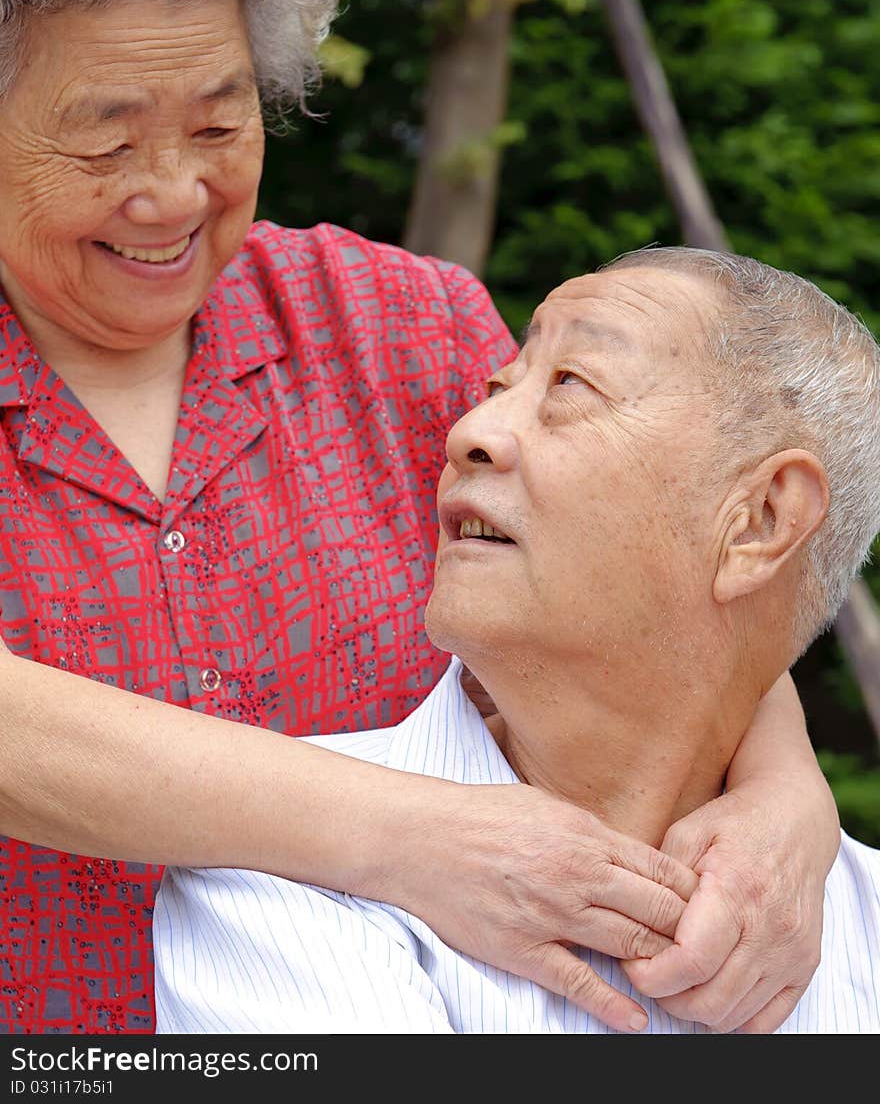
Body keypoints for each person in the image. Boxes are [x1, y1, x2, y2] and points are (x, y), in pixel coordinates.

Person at [0, 0, 839, 1036]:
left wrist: (785, 796)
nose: (173, 193)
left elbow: (652, 571)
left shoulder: (396, 326)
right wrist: (409, 835)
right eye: (103, 137)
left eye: (218, 123)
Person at [154, 249, 880, 1035]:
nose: (469, 430)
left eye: (571, 385)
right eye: (497, 385)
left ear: (761, 519)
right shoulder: (277, 883)